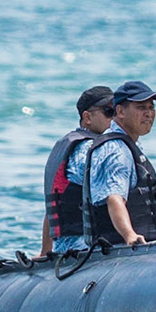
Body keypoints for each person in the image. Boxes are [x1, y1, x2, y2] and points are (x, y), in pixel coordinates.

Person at [78, 80, 156, 248]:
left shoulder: (127, 144)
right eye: (141, 108)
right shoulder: (115, 149)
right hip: (121, 251)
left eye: (151, 107)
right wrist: (130, 235)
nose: (149, 113)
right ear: (120, 111)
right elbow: (114, 197)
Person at [42, 85, 115, 256]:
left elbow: (55, 207)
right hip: (85, 246)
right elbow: (114, 196)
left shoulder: (65, 145)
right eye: (108, 112)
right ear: (87, 117)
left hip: (64, 245)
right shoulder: (89, 149)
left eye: (117, 111)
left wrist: (45, 251)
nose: (115, 118)